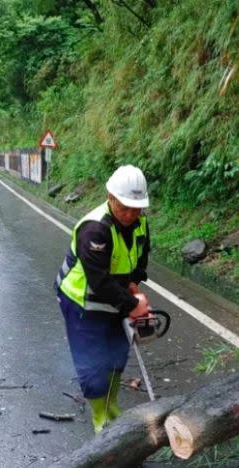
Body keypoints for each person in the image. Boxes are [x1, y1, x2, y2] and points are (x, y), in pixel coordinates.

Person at [56, 165, 152, 434]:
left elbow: (140, 257)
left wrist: (134, 286)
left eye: (137, 208)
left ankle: (112, 406)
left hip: (117, 299)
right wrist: (133, 306)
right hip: (82, 304)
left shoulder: (140, 222)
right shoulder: (95, 229)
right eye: (125, 207)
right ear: (110, 197)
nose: (131, 214)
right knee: (92, 364)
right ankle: (101, 418)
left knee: (117, 356)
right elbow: (98, 282)